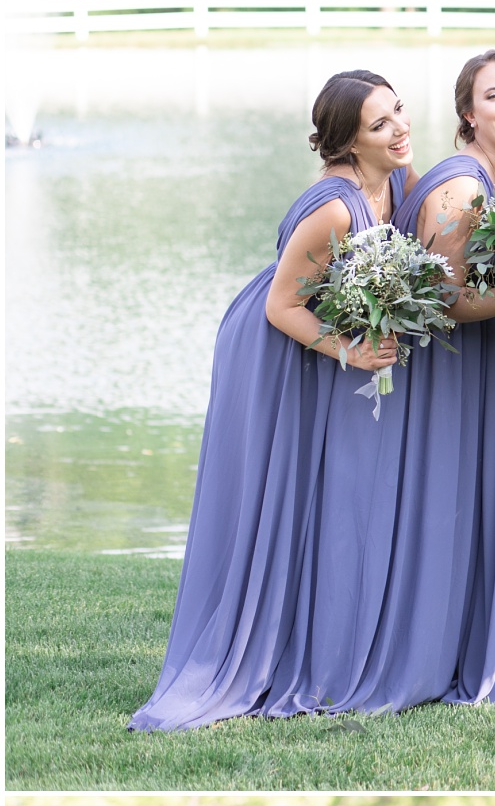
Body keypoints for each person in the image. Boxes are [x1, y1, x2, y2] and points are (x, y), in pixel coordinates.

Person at [131, 71, 412, 731]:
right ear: (347, 143)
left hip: (319, 338)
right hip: (277, 347)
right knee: (274, 497)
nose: (399, 128)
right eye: (380, 124)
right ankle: (247, 654)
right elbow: (280, 303)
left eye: (398, 111)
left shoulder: (395, 176)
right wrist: (349, 350)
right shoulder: (336, 206)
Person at [389, 52, 495, 713]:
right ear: (468, 114)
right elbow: (449, 299)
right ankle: (424, 657)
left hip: (486, 370)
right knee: (445, 511)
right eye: (493, 95)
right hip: (446, 374)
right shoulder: (463, 185)